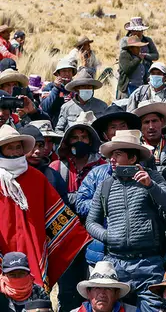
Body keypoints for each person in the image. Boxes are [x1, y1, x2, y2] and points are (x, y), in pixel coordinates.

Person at [0, 123, 91, 309]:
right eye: (10, 147)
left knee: (36, 301)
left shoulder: (36, 178)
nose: (16, 151)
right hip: (3, 249)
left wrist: (79, 237)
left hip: (33, 248)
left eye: (18, 146)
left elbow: (56, 214)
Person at [86, 129, 166, 312]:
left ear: (133, 158)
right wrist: (108, 236)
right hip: (115, 263)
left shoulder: (153, 177)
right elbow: (91, 223)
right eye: (111, 155)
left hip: (149, 263)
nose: (112, 159)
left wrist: (150, 186)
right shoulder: (105, 185)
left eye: (117, 154)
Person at [52, 111, 105, 212]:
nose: (79, 141)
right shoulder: (56, 167)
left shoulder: (103, 167)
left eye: (84, 137)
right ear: (68, 142)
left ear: (90, 141)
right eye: (75, 138)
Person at [23, 120, 68, 201]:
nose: (38, 151)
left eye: (41, 146)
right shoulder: (7, 175)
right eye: (32, 146)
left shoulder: (53, 176)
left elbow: (63, 206)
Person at [135, 101, 166, 170]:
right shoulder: (135, 149)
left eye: (154, 121)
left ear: (162, 122)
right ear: (140, 125)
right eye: (146, 122)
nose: (151, 127)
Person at [39, 57, 78, 125]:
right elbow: (45, 108)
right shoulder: (49, 87)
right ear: (58, 74)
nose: (67, 73)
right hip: (54, 124)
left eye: (69, 71)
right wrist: (56, 88)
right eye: (64, 71)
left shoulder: (77, 88)